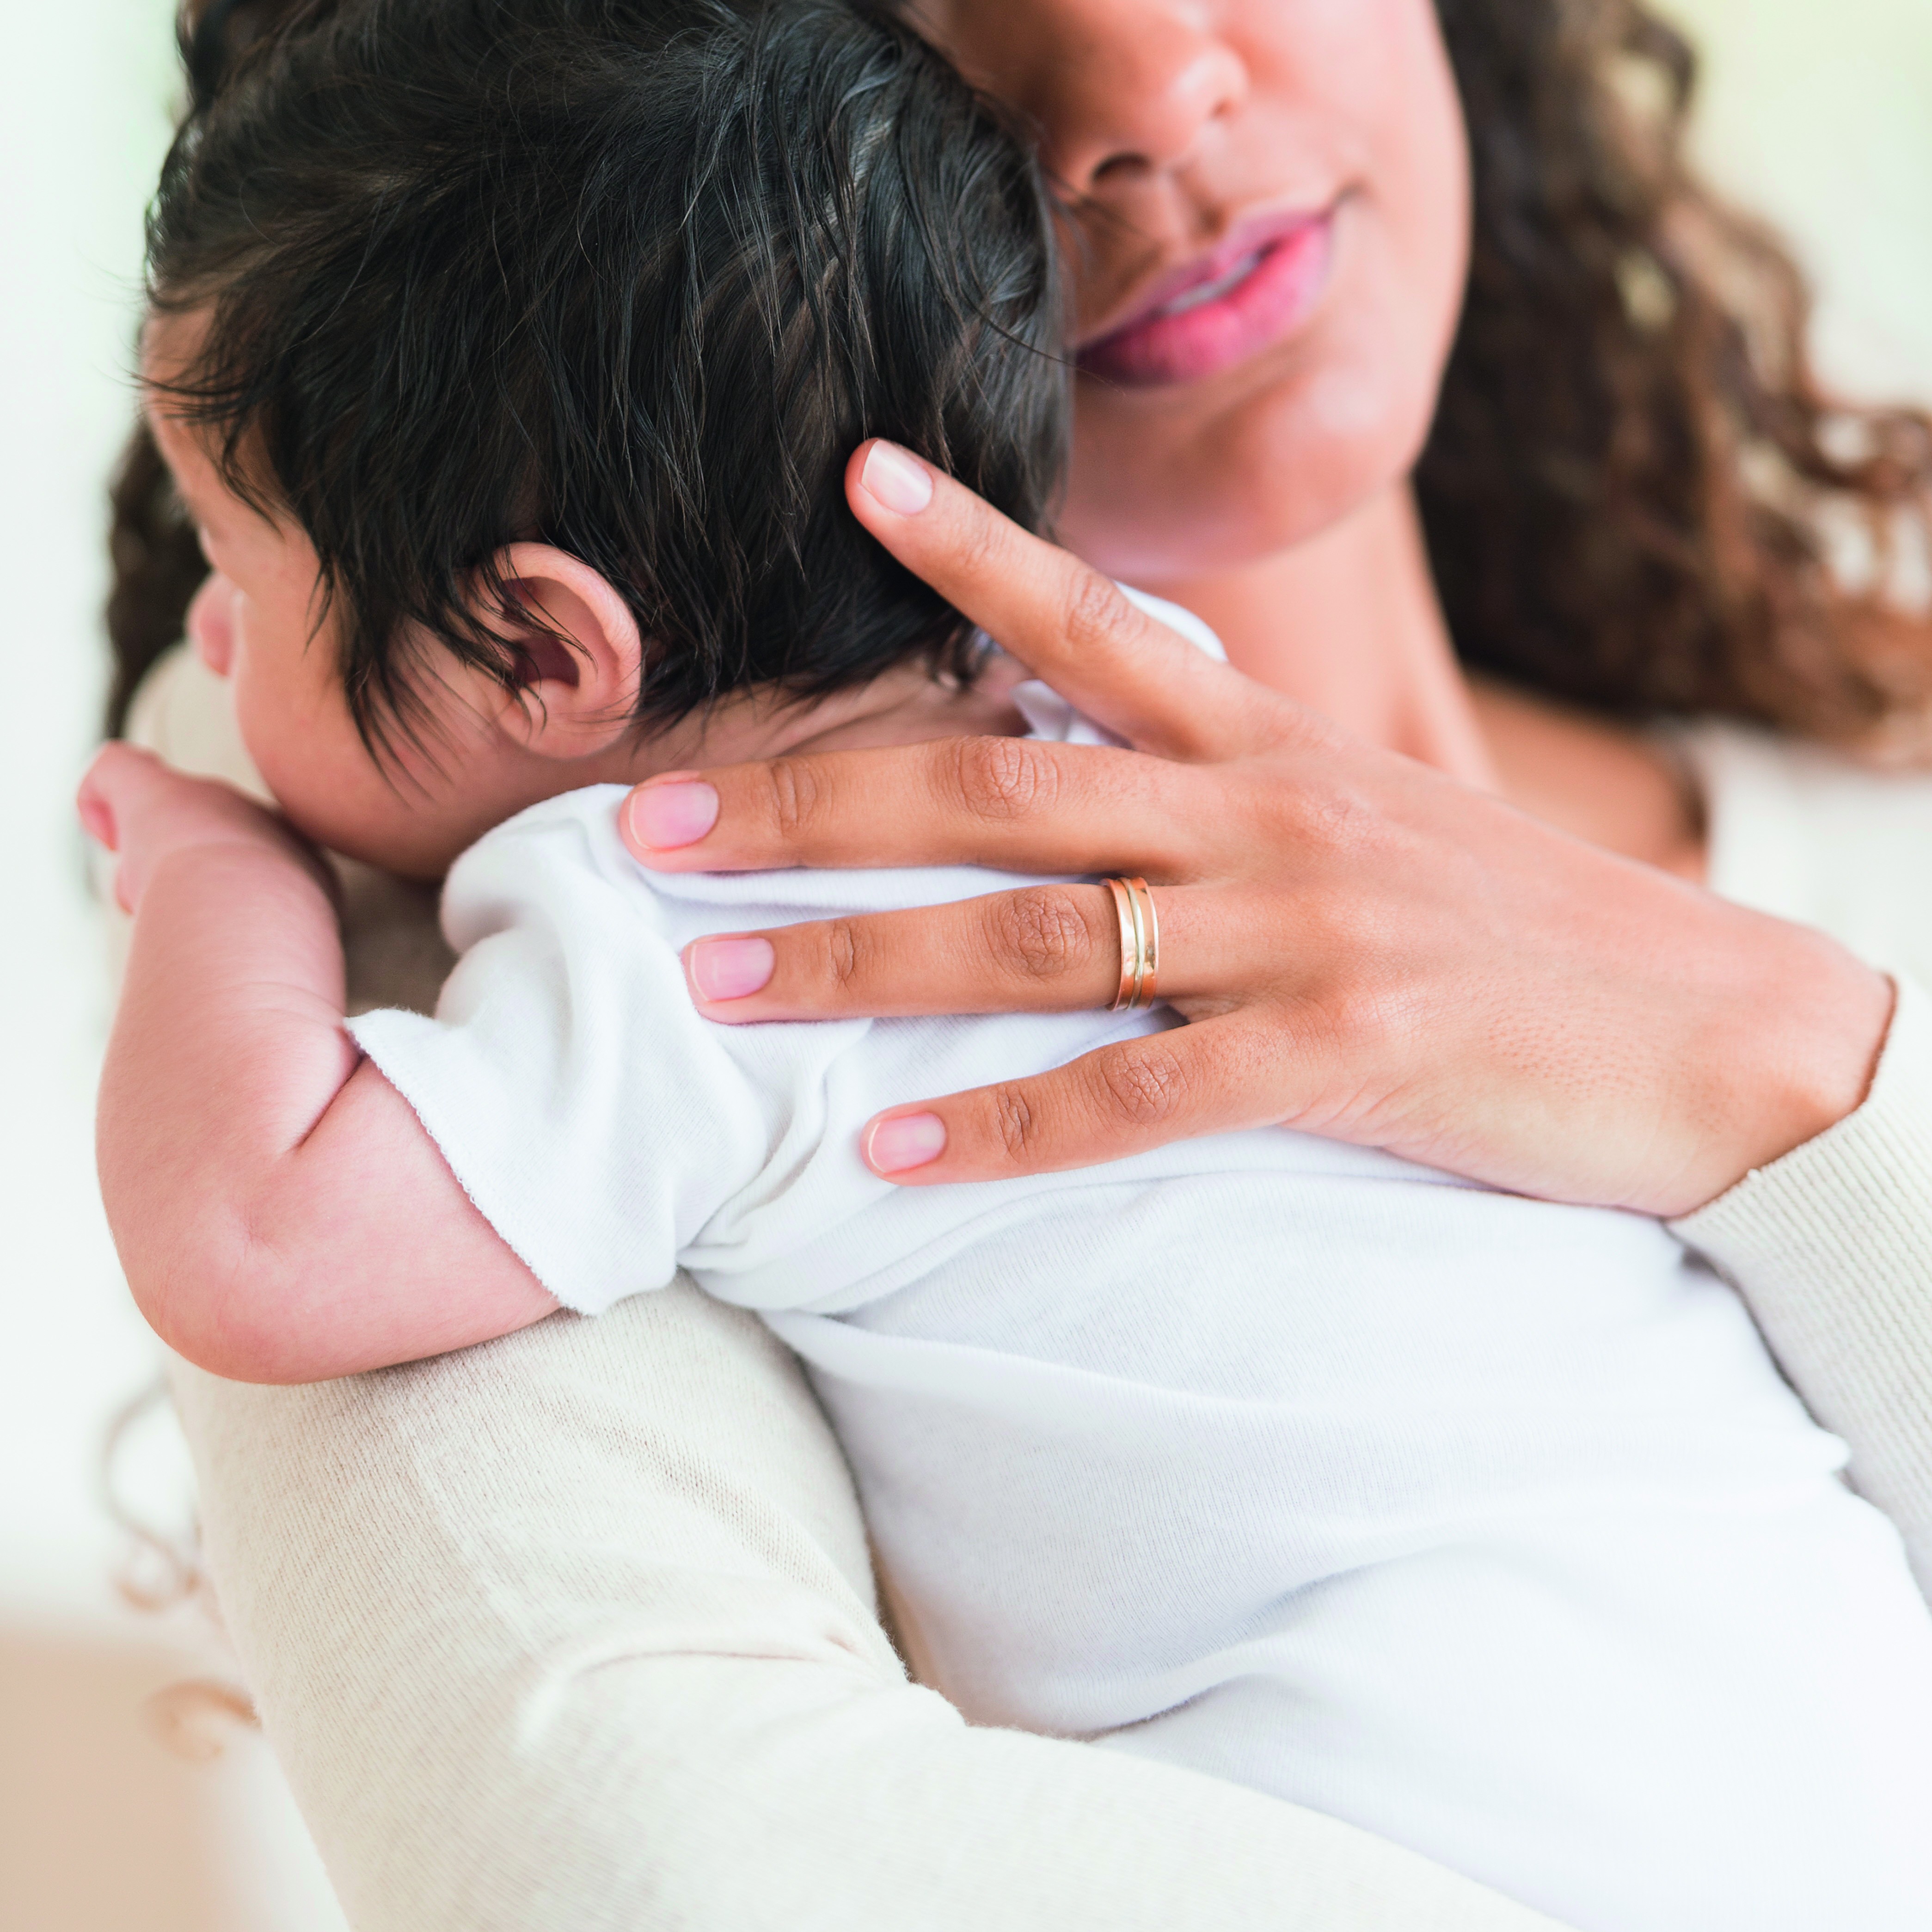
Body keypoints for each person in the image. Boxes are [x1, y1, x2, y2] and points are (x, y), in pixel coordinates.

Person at [87, 1, 1932, 1926]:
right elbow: (641, 1865)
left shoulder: (653, 904)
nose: (1143, 86)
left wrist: (1785, 1062)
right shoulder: (838, 788)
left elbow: (264, 1223)